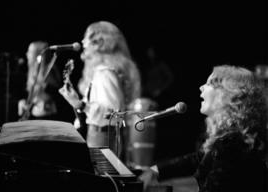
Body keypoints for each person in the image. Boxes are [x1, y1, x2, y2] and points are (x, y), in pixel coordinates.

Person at [139, 65, 267, 192]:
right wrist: (155, 171)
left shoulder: (233, 144)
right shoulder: (232, 139)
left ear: (226, 94)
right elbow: (197, 158)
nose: (201, 87)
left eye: (209, 84)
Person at [59, 21, 141, 154]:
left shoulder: (105, 74)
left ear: (99, 43)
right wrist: (78, 103)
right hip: (100, 135)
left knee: (104, 174)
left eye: (86, 37)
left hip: (102, 136)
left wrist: (80, 105)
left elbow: (113, 113)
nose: (83, 41)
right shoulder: (101, 72)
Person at [18, 41, 62, 121]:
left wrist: (44, 86)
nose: (27, 54)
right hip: (35, 113)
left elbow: (57, 93)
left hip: (47, 115)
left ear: (37, 54)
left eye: (29, 52)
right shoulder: (32, 71)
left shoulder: (49, 70)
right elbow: (31, 96)